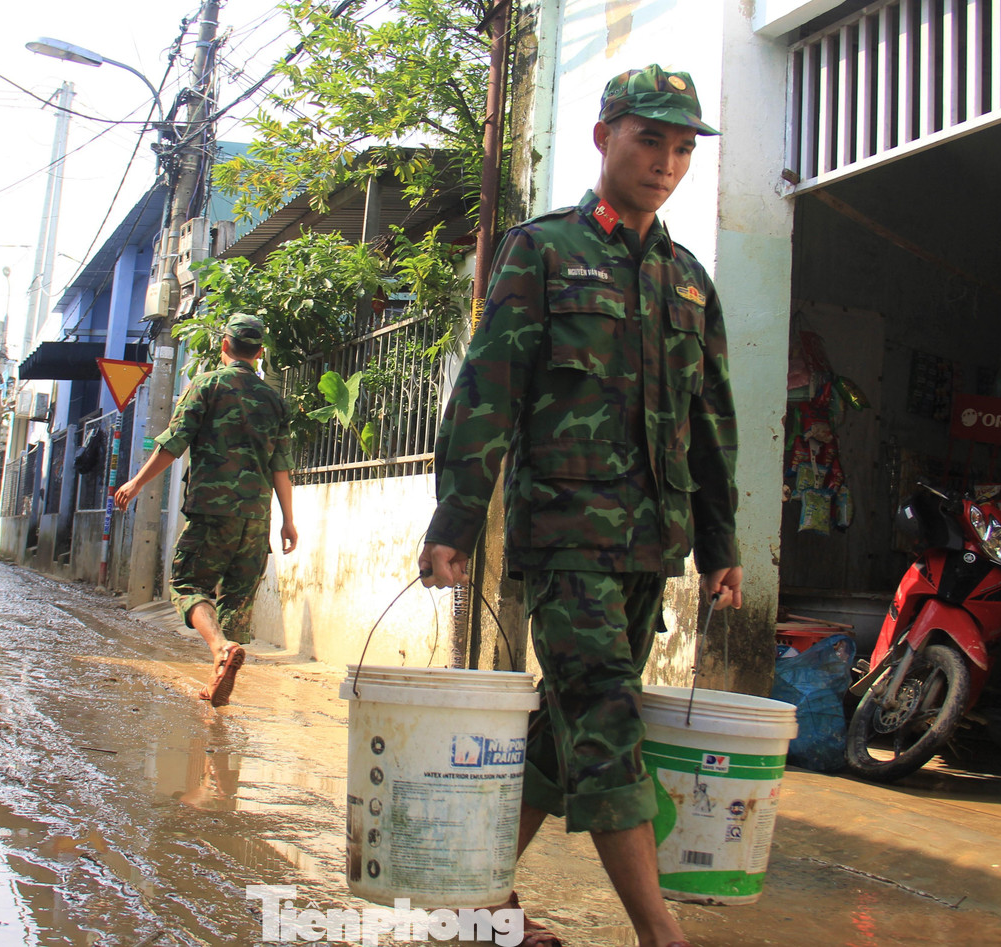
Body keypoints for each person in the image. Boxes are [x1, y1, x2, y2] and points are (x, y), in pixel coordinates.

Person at [417, 65, 742, 947]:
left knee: (565, 738)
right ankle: (659, 933)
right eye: (650, 140)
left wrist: (720, 542)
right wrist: (455, 518)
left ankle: (475, 900)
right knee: (603, 719)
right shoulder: (545, 250)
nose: (666, 161)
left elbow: (712, 419)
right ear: (604, 137)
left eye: (681, 148)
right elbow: (489, 389)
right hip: (565, 537)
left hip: (651, 544)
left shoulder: (688, 280)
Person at [115, 313, 298, 707]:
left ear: (225, 347)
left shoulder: (208, 385)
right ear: (260, 352)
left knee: (187, 586)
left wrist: (137, 482)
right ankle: (220, 676)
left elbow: (174, 442)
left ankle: (218, 649)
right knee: (235, 603)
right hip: (256, 517)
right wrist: (288, 520)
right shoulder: (274, 400)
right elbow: (280, 465)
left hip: (212, 510)